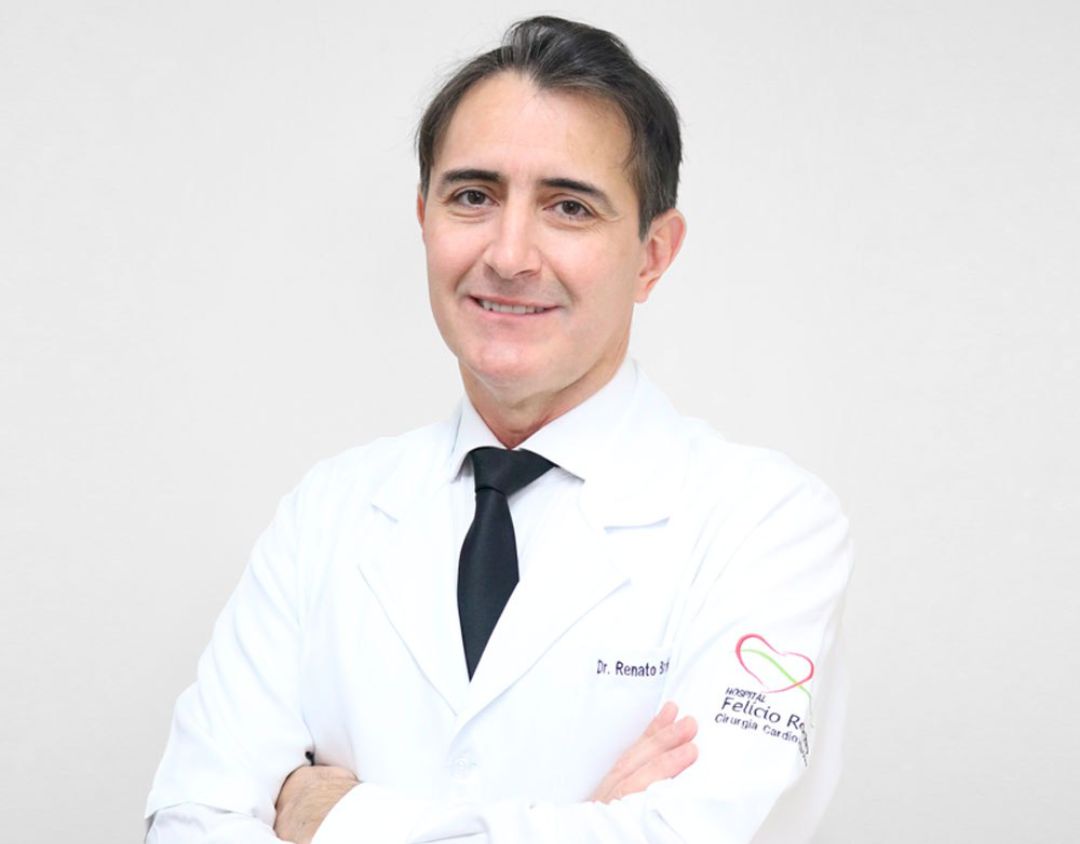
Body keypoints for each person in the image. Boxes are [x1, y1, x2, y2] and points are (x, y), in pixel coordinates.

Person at [145, 15, 852, 844]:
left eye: (569, 206)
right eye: (473, 197)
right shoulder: (326, 513)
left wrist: (337, 819)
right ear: (425, 219)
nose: (510, 255)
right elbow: (188, 823)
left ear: (653, 254)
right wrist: (589, 825)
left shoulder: (768, 525)